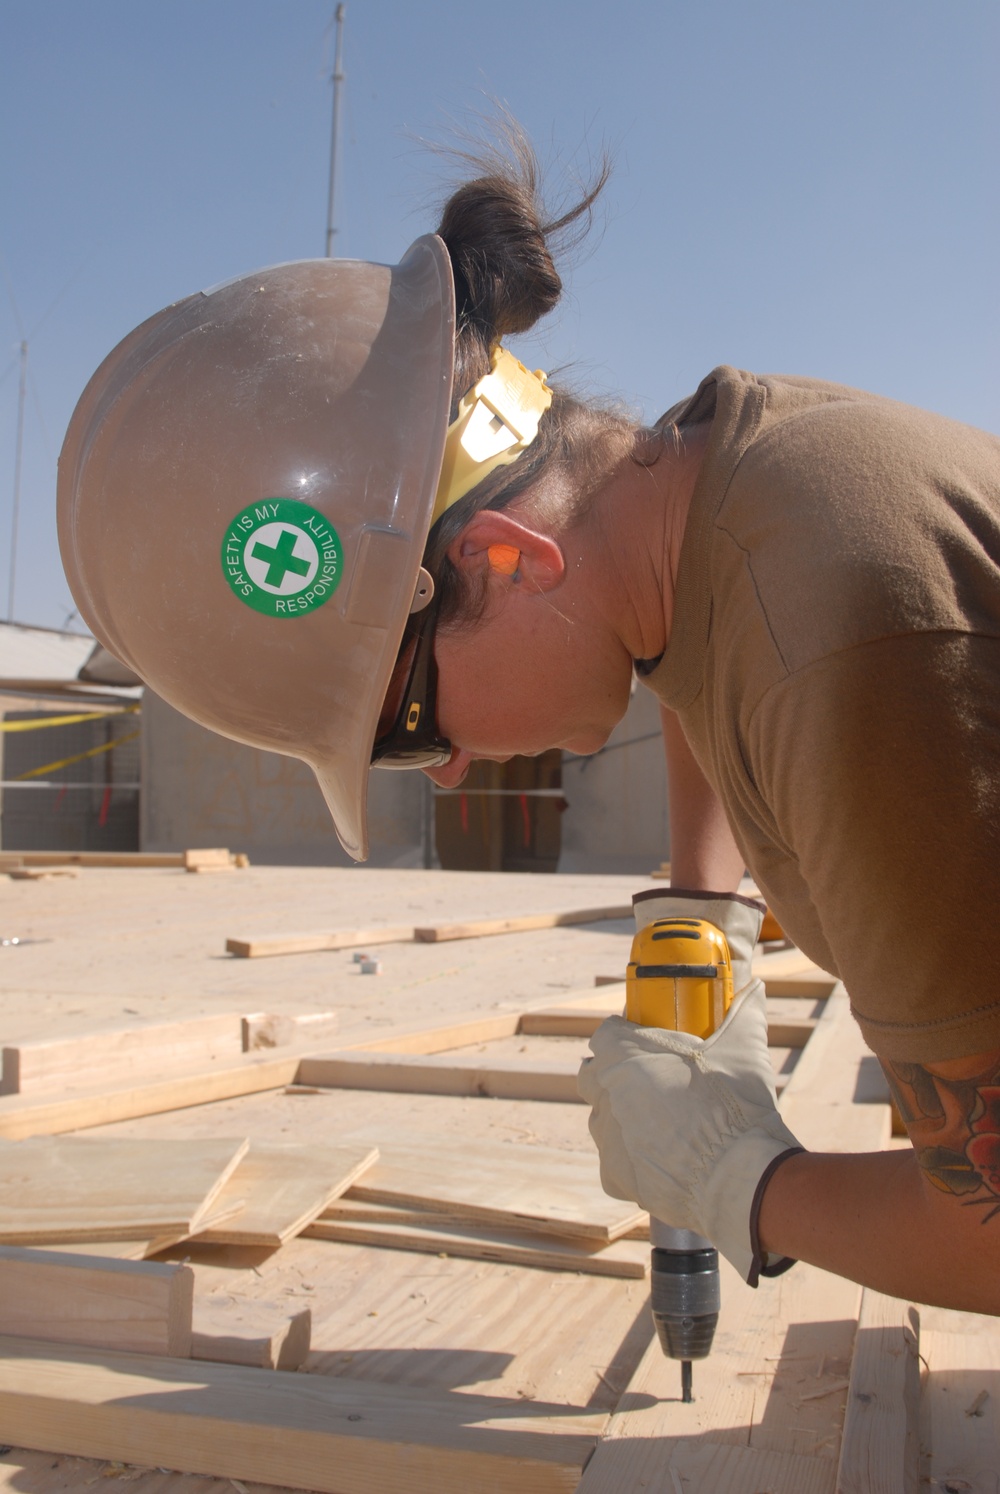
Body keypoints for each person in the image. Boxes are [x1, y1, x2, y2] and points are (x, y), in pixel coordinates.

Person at [58, 126, 1000, 1315]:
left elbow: (990, 1242)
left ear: (504, 560)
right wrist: (698, 912)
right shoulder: (700, 501)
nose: (447, 774)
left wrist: (742, 1181)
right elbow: (693, 651)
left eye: (404, 724)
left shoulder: (835, 632)